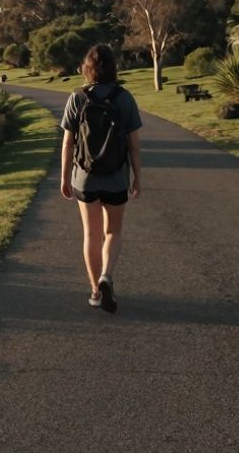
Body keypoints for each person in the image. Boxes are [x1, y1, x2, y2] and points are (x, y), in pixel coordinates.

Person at [58, 44, 142, 313]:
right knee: (113, 231)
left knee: (91, 233)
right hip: (116, 176)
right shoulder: (124, 97)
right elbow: (133, 143)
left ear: (87, 69)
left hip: (85, 177)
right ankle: (107, 274)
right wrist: (138, 176)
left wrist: (64, 177)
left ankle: (95, 291)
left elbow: (68, 143)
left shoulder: (77, 97)